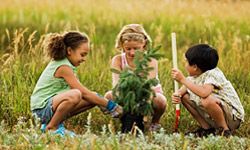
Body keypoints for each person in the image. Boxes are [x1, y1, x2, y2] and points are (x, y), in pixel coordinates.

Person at [30, 31, 123, 137]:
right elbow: (82, 92)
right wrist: (110, 105)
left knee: (92, 98)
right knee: (76, 94)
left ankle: (50, 124)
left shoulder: (68, 65)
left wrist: (100, 101)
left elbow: (87, 95)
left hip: (50, 106)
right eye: (82, 54)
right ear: (69, 50)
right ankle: (51, 127)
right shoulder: (63, 67)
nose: (84, 59)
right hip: (41, 110)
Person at [171, 44, 244, 137]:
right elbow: (182, 91)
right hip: (217, 116)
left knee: (206, 99)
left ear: (194, 67)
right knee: (184, 97)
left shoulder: (213, 74)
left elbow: (204, 93)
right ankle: (207, 129)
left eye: (186, 62)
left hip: (233, 118)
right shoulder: (194, 76)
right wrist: (177, 95)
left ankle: (224, 130)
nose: (184, 65)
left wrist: (182, 79)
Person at [104, 24, 167, 131]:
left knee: (160, 101)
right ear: (122, 45)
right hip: (124, 91)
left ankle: (154, 122)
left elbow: (148, 84)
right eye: (128, 49)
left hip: (149, 93)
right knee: (109, 96)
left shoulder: (150, 60)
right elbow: (116, 83)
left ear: (144, 44)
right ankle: (122, 118)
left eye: (136, 48)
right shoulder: (118, 60)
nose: (132, 52)